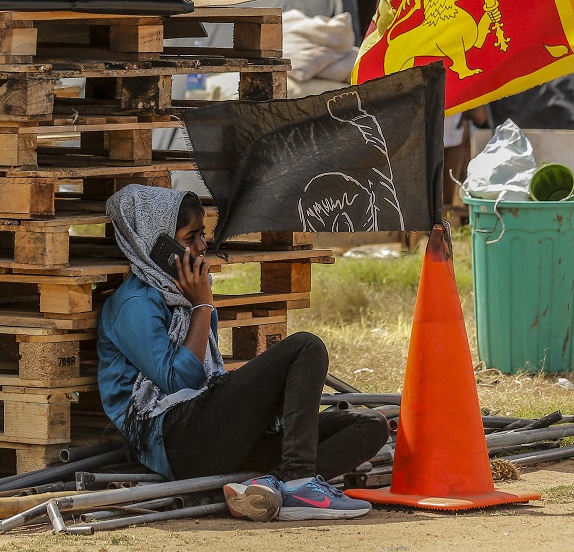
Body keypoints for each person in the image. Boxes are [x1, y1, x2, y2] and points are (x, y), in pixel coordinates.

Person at [98, 184, 390, 522]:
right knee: (305, 347)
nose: (202, 246)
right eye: (191, 236)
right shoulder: (135, 302)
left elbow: (209, 380)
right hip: (178, 443)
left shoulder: (181, 298)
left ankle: (270, 487)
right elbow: (180, 380)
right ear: (156, 243)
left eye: (203, 235)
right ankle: (299, 483)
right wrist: (203, 305)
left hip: (213, 435)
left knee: (371, 425)